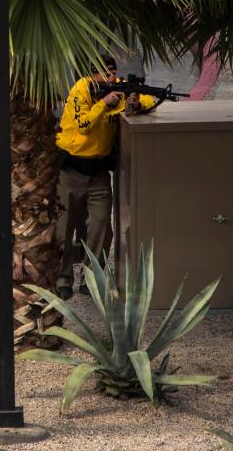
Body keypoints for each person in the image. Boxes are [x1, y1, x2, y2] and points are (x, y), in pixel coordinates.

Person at [54, 56, 155, 299]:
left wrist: (135, 102)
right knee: (62, 229)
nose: (111, 78)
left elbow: (149, 98)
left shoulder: (118, 86)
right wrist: (103, 103)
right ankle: (62, 278)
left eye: (113, 73)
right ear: (93, 74)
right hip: (71, 171)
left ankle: (91, 278)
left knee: (101, 226)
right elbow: (84, 124)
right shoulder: (81, 90)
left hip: (99, 173)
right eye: (105, 74)